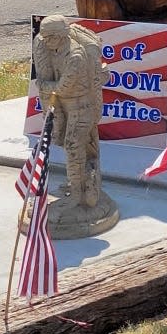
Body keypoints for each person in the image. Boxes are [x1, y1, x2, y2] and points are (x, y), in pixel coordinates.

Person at [33, 14, 105, 209]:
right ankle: (79, 182)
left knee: (74, 146)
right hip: (63, 105)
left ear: (63, 35)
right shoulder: (52, 46)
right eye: (45, 37)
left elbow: (63, 87)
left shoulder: (76, 55)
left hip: (81, 106)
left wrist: (44, 85)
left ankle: (77, 194)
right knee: (68, 145)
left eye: (51, 37)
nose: (45, 41)